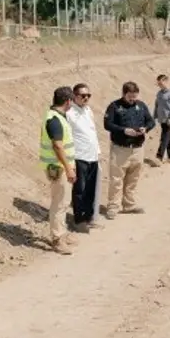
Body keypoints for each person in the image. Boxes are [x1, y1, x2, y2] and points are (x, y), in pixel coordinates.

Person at [103, 81, 155, 218]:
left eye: (135, 96)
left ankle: (129, 204)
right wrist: (124, 130)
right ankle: (113, 207)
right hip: (120, 149)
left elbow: (151, 121)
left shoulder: (141, 105)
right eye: (130, 96)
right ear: (123, 93)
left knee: (133, 179)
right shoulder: (114, 106)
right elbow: (107, 124)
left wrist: (146, 128)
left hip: (138, 149)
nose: (132, 99)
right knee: (116, 179)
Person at [38, 86, 77, 253]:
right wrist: (68, 168)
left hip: (61, 166)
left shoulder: (57, 116)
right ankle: (57, 239)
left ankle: (62, 233)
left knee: (63, 202)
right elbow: (58, 146)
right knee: (59, 204)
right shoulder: (54, 120)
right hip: (59, 168)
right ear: (68, 101)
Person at [66, 82, 101, 232]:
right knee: (79, 189)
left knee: (91, 189)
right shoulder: (69, 113)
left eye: (88, 95)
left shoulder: (88, 110)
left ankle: (89, 217)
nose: (86, 98)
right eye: (83, 95)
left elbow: (93, 131)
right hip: (79, 156)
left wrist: (98, 151)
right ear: (75, 96)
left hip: (92, 155)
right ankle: (79, 219)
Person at [153, 74, 170, 164]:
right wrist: (154, 116)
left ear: (166, 82)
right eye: (158, 84)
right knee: (168, 137)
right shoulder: (159, 93)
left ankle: (159, 157)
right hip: (162, 119)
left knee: (164, 137)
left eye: (161, 83)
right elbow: (157, 105)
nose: (159, 85)